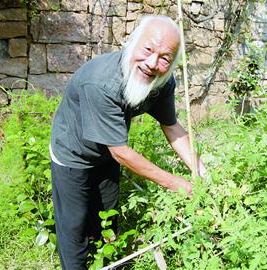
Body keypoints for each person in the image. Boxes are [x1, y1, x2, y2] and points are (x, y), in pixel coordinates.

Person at [50, 15, 206, 269]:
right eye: (148, 49)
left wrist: (200, 170)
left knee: (107, 216)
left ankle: (109, 262)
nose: (152, 63)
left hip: (107, 153)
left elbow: (171, 126)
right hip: (73, 154)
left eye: (165, 58)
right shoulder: (101, 82)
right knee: (73, 224)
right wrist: (175, 183)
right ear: (131, 42)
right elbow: (122, 152)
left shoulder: (162, 82)